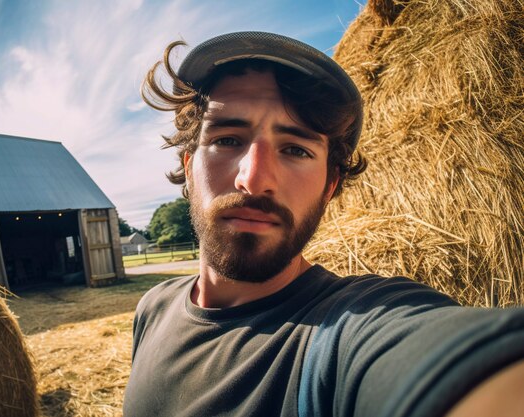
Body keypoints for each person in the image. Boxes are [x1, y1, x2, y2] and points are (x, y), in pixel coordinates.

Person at [123, 31, 524, 417]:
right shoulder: (152, 310)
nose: (254, 178)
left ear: (330, 184)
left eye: (295, 149)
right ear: (189, 167)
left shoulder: (347, 332)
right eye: (228, 139)